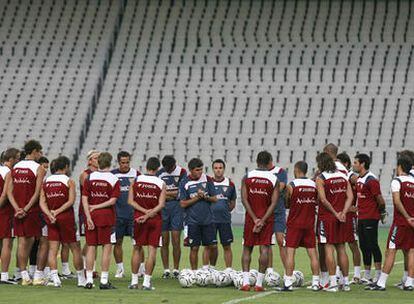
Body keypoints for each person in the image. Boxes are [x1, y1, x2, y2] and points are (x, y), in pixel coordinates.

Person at [39, 156, 86, 287]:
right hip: (66, 218)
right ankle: (81, 279)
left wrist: (50, 214)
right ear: (65, 166)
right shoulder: (69, 181)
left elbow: (42, 202)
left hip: (51, 219)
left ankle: (55, 279)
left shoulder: (46, 182)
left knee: (53, 249)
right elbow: (71, 201)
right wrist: (58, 211)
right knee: (75, 248)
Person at [369, 156, 414, 291]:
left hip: (401, 222)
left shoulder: (397, 181)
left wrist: (406, 216)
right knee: (411, 251)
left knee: (391, 251)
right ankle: (409, 283)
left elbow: (396, 200)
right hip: (412, 222)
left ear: (399, 166)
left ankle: (381, 282)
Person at [7, 140, 46, 285]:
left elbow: (9, 191)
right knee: (30, 241)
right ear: (34, 151)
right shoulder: (39, 168)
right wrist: (26, 208)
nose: (41, 155)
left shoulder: (15, 167)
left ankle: (24, 275)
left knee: (22, 242)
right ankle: (33, 276)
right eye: (40, 152)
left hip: (17, 210)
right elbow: (37, 192)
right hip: (31, 211)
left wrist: (17, 208)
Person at [240, 151, 279, 292]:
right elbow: (274, 203)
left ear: (256, 161)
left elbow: (244, 199)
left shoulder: (247, 176)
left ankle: (245, 283)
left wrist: (254, 218)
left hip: (251, 219)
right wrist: (262, 220)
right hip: (266, 220)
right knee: (264, 249)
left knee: (247, 248)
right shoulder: (273, 179)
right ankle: (259, 284)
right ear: (269, 162)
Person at [82, 152, 120, 289]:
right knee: (107, 247)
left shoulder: (90, 177)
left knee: (91, 247)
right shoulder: (113, 179)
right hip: (106, 216)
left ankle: (89, 280)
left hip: (91, 216)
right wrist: (98, 206)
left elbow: (84, 199)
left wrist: (88, 216)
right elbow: (113, 200)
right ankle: (104, 280)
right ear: (110, 163)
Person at [315, 152, 353, 292]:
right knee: (342, 249)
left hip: (327, 218)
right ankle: (346, 283)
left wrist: (335, 213)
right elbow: (350, 196)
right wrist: (343, 212)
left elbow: (323, 200)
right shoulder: (343, 176)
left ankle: (332, 283)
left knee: (328, 248)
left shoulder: (321, 178)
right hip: (342, 218)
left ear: (321, 164)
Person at [128, 157, 166, 290]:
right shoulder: (161, 183)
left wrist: (143, 213)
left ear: (146, 167)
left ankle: (133, 282)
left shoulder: (136, 180)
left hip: (138, 218)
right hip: (155, 220)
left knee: (137, 248)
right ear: (157, 169)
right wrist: (149, 214)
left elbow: (130, 201)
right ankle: (146, 283)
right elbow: (161, 204)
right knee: (152, 251)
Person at [283, 161, 320, 291]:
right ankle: (316, 282)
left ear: (296, 170)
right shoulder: (314, 185)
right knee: (313, 253)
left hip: (294, 224)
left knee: (290, 253)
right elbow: (317, 201)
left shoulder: (291, 185)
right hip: (309, 223)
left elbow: (286, 203)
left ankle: (288, 283)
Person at [179, 158, 218, 270]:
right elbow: (182, 204)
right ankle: (194, 273)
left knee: (213, 246)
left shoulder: (208, 179)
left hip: (208, 220)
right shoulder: (184, 182)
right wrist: (197, 197)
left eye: (201, 169)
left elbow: (215, 199)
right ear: (191, 170)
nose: (200, 172)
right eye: (197, 170)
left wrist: (205, 197)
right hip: (192, 221)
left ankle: (212, 269)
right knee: (194, 248)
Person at [353, 153, 386, 285]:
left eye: (355, 162)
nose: (354, 164)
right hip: (361, 217)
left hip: (371, 217)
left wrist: (381, 212)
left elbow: (380, 200)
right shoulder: (360, 179)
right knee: (364, 246)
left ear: (363, 164)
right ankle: (367, 274)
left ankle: (378, 274)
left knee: (373, 245)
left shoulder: (371, 180)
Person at [202, 159, 236, 270]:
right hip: (209, 220)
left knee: (227, 246)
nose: (218, 170)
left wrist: (224, 210)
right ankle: (207, 269)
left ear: (224, 169)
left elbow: (232, 203)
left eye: (220, 168)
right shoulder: (207, 183)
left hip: (224, 220)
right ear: (213, 169)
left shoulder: (230, 184)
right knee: (209, 246)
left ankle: (229, 270)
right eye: (216, 168)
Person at [111, 151, 140, 279]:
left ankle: (141, 269)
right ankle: (120, 269)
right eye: (123, 163)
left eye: (127, 162)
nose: (125, 165)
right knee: (118, 242)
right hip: (117, 215)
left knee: (137, 243)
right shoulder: (112, 175)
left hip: (133, 215)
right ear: (118, 162)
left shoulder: (136, 174)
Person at [157, 155, 186, 279]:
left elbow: (181, 192)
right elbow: (157, 192)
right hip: (163, 208)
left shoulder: (182, 172)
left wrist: (165, 194)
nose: (169, 170)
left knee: (175, 240)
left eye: (171, 168)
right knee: (164, 241)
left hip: (177, 208)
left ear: (175, 165)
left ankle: (176, 268)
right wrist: (169, 194)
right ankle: (166, 269)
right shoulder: (159, 173)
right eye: (166, 168)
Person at [336, 152, 362, 283]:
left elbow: (363, 188)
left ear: (345, 164)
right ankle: (338, 273)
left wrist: (357, 206)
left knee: (352, 244)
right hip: (340, 214)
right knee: (338, 244)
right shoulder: (338, 177)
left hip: (350, 215)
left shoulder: (351, 177)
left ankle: (357, 274)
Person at [0, 148, 20, 284]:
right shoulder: (9, 173)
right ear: (11, 159)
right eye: (17, 158)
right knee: (7, 243)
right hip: (5, 212)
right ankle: (5, 276)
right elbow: (6, 193)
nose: (19, 160)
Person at [79, 150, 99, 276]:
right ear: (90, 160)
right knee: (90, 240)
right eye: (96, 158)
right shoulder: (85, 174)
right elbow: (89, 193)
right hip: (87, 210)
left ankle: (91, 267)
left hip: (97, 209)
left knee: (95, 240)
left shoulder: (101, 174)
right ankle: (85, 267)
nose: (98, 160)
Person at [267, 160, 288, 275]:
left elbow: (280, 187)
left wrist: (265, 190)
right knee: (267, 242)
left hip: (279, 211)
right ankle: (269, 271)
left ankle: (287, 272)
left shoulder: (280, 172)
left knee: (281, 241)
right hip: (266, 212)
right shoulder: (261, 173)